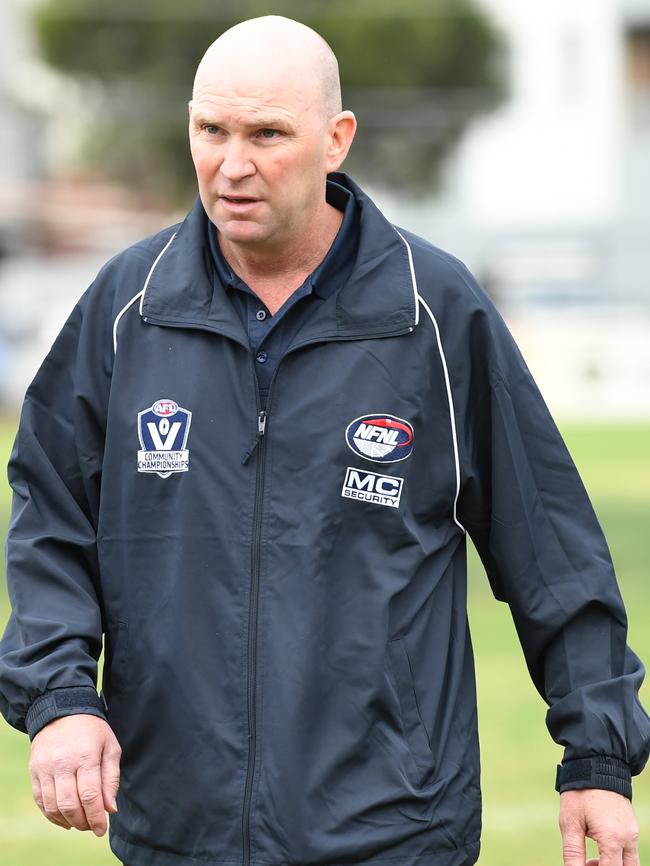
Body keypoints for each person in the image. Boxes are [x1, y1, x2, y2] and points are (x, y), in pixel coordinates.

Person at [0, 15, 647, 866]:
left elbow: (553, 550)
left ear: (336, 139)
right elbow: (51, 517)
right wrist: (60, 698)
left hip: (393, 829)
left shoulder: (434, 313)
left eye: (268, 133)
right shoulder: (130, 308)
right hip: (177, 829)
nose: (234, 165)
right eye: (212, 131)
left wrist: (596, 757)